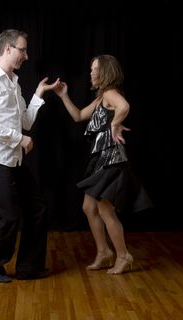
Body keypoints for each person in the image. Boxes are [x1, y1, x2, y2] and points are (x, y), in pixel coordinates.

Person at [0, 29, 60, 283]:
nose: (26, 55)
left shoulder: (14, 83)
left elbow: (25, 121)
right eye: (22, 49)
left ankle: (28, 267)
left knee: (37, 208)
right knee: (9, 216)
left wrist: (39, 94)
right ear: (7, 49)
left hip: (13, 159)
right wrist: (18, 139)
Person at [54, 54, 152, 274]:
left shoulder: (110, 93)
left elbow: (124, 106)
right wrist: (63, 96)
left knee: (105, 210)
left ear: (105, 71)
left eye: (94, 68)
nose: (91, 72)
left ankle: (124, 256)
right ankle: (104, 253)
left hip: (112, 159)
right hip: (100, 159)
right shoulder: (100, 99)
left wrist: (115, 123)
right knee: (89, 207)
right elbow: (79, 116)